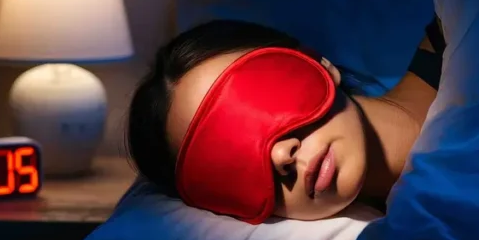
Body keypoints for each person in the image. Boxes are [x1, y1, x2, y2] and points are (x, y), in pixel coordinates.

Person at [127, 17, 446, 223]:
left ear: (317, 63)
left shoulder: (473, 28)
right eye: (226, 162)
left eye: (257, 102)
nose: (280, 156)